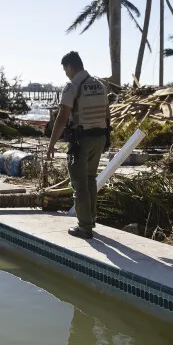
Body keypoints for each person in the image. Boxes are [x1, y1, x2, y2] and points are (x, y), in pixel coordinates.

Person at [47, 51, 109, 239]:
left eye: (65, 69)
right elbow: (107, 113)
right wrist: (108, 136)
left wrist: (52, 144)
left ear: (70, 66)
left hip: (80, 141)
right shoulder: (99, 85)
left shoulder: (72, 87)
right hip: (99, 137)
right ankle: (91, 219)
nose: (66, 73)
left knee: (79, 185)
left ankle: (84, 227)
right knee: (90, 179)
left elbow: (62, 118)